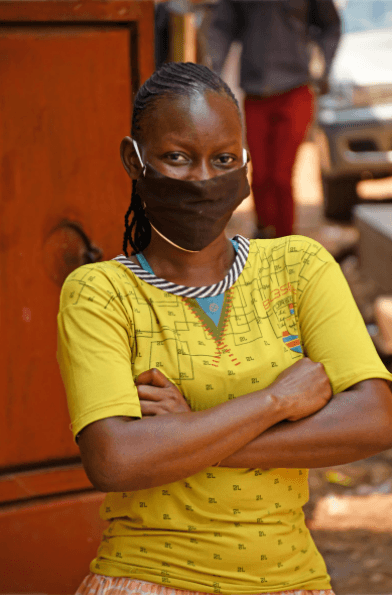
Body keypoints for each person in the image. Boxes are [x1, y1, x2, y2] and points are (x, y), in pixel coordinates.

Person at [57, 62, 392, 595]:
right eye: (177, 158)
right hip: (148, 579)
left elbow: (374, 418)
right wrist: (275, 404)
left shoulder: (299, 267)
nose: (203, 178)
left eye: (223, 159)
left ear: (246, 164)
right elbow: (115, 459)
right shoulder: (100, 293)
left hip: (292, 581)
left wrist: (189, 430)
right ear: (134, 161)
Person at [207, 0, 341, 238]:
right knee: (259, 176)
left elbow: (330, 25)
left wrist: (324, 65)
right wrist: (214, 68)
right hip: (255, 91)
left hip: (295, 89)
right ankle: (264, 235)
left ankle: (285, 243)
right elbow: (222, 26)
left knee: (281, 175)